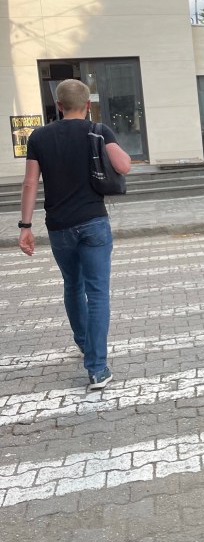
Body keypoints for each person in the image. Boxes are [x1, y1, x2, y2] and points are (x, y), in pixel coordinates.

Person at [18, 79, 132, 390]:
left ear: (58, 105)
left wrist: (25, 227)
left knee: (73, 284)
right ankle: (96, 368)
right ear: (87, 104)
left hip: (59, 226)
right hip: (93, 222)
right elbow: (124, 166)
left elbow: (30, 183)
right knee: (97, 293)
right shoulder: (98, 130)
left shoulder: (39, 137)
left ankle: (83, 341)